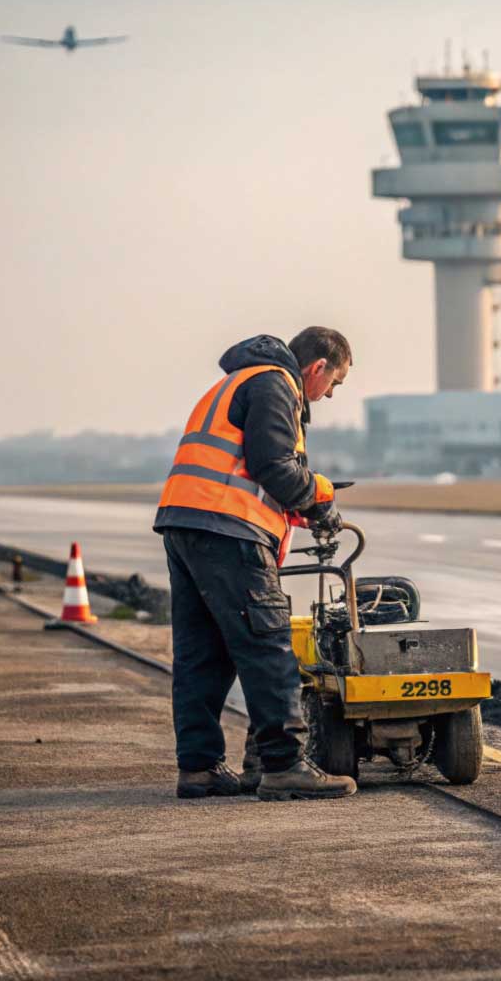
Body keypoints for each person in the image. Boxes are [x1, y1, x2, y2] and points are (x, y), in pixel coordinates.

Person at [153, 328, 355, 801]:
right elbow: (275, 465)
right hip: (228, 530)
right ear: (317, 369)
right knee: (268, 644)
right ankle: (285, 765)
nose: (329, 395)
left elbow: (244, 470)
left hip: (188, 523)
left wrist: (295, 508)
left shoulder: (235, 381)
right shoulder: (275, 384)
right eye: (335, 383)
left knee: (204, 653)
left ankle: (200, 768)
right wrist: (319, 497)